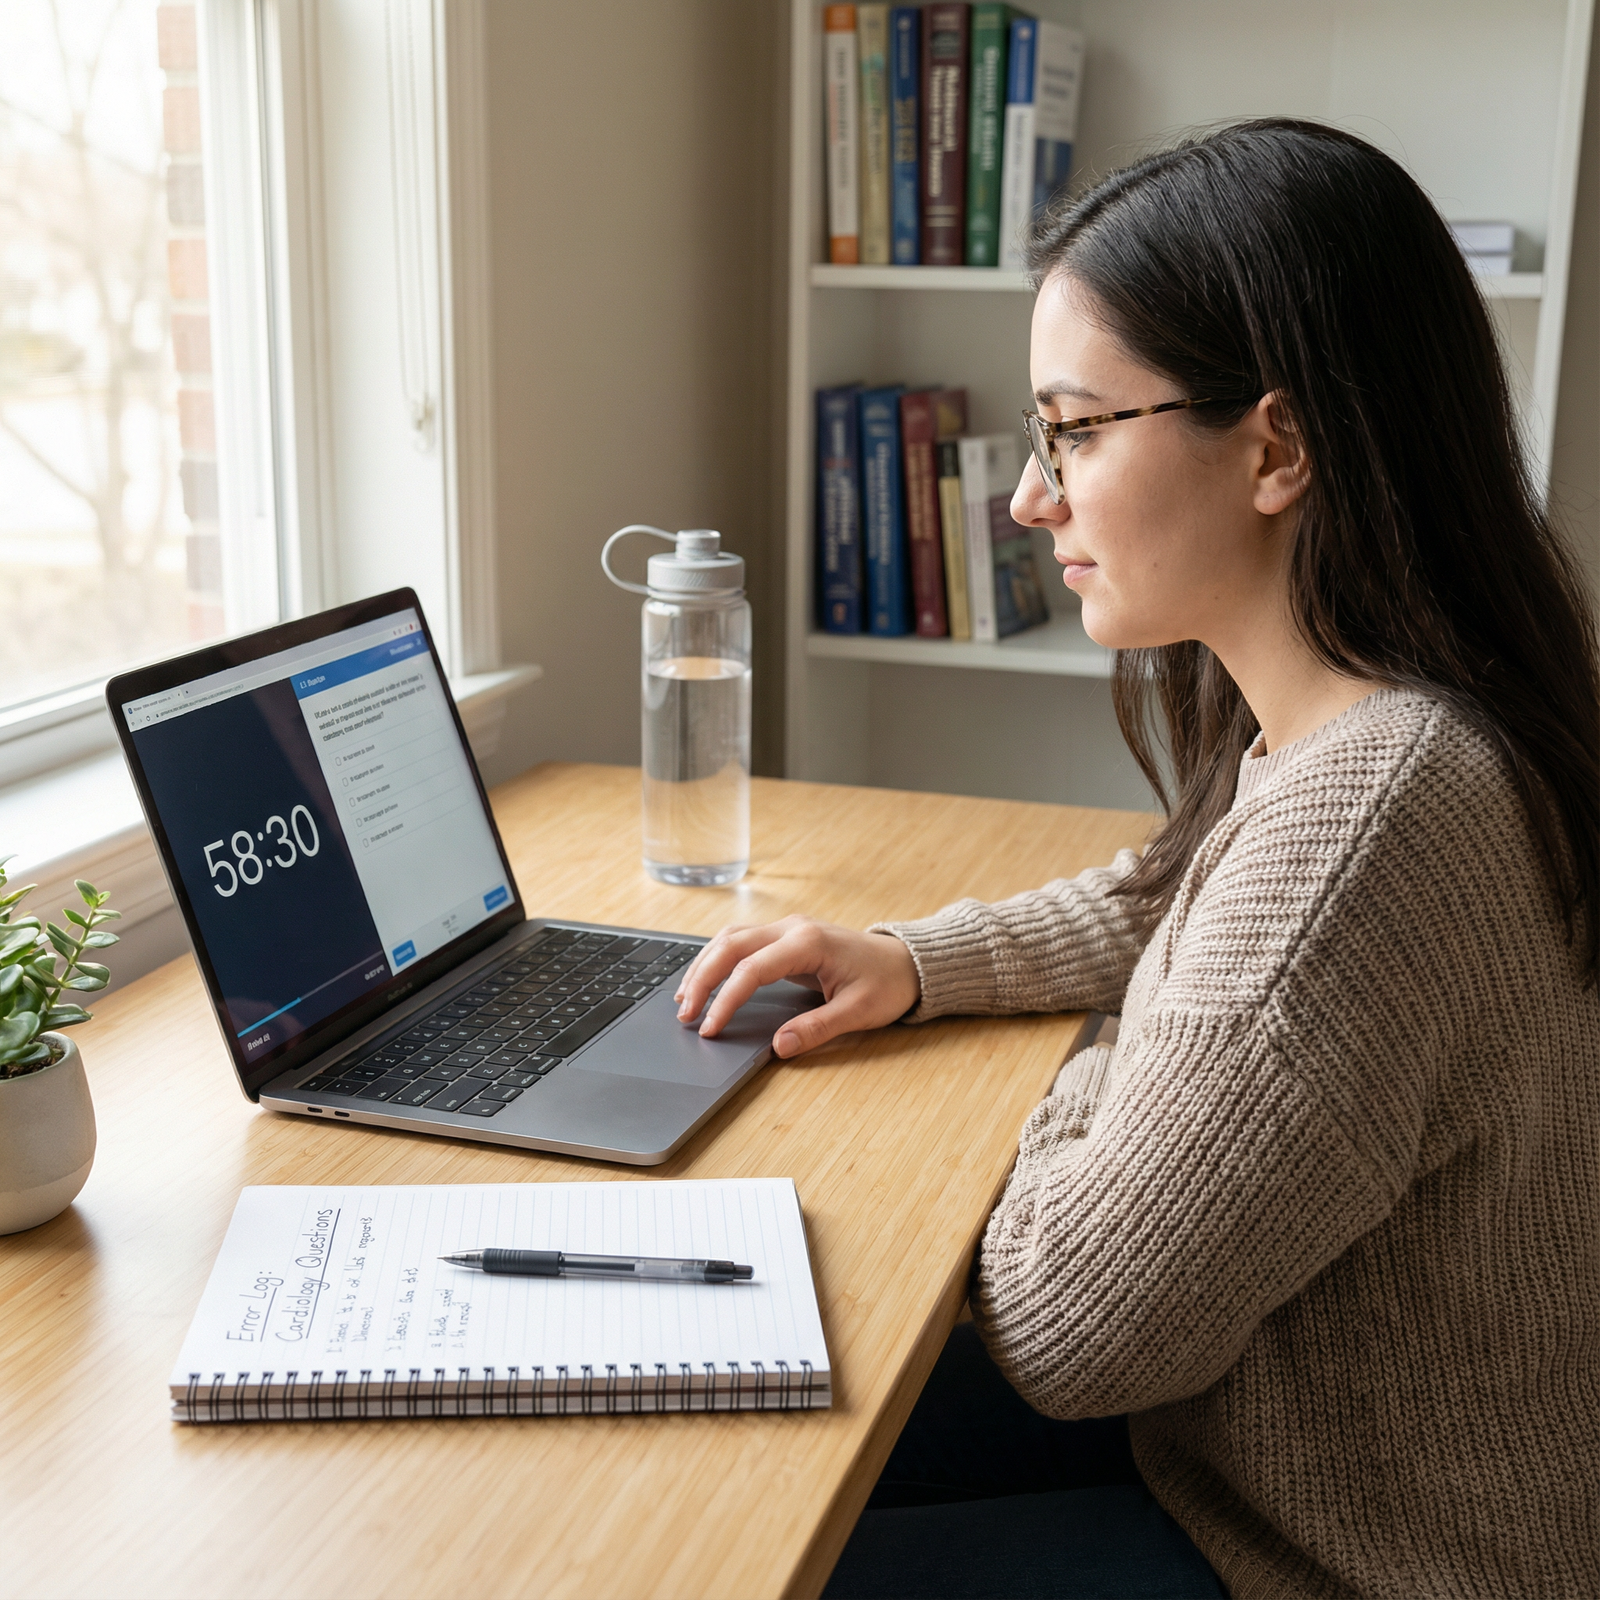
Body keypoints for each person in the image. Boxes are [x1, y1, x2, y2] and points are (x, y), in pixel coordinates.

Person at [675, 120, 1600, 1598]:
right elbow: (1190, 904)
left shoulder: (1378, 818)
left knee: (731, 1544)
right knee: (738, 1429)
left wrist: (1098, 1063)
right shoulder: (1393, 727)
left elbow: (1066, 1327)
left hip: (1339, 1553)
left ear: (1276, 447)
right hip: (1254, 1438)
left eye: (1077, 431)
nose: (1034, 499)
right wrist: (920, 963)